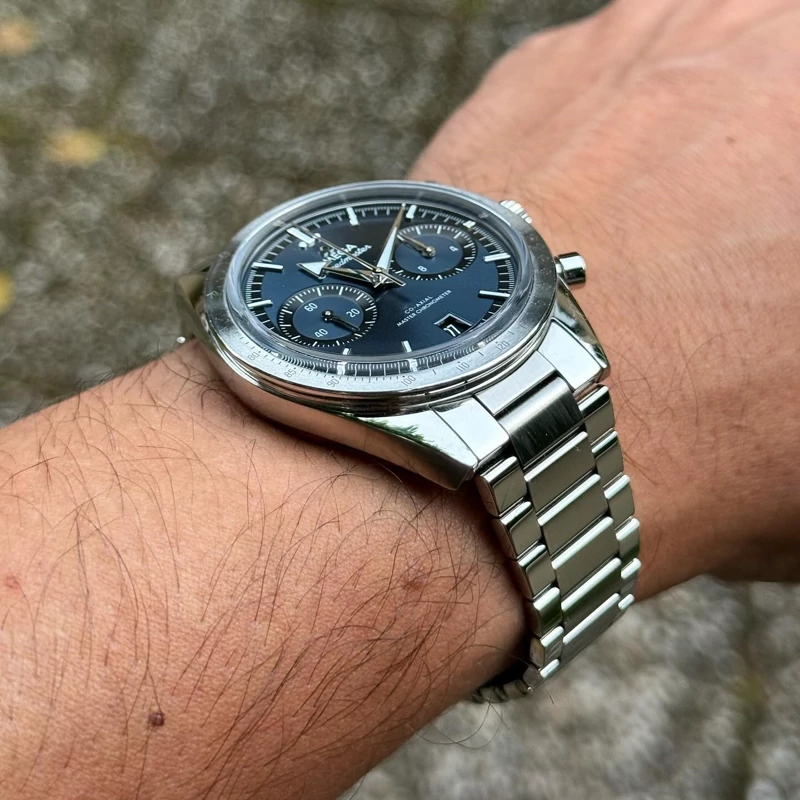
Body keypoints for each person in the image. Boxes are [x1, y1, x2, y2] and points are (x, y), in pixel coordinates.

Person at [1, 0, 798, 796]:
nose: (383, 277)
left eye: (397, 259)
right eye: (371, 276)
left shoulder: (516, 297)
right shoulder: (287, 347)